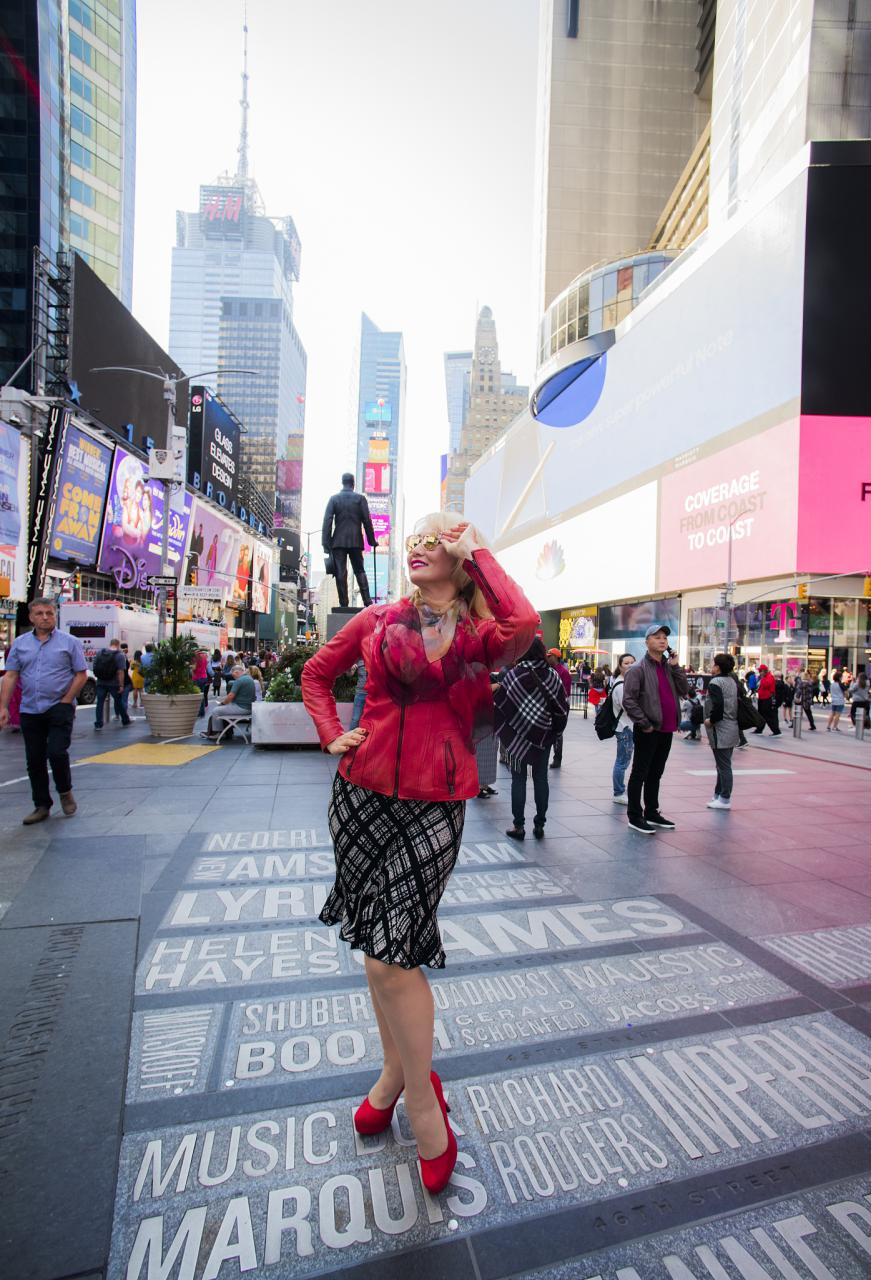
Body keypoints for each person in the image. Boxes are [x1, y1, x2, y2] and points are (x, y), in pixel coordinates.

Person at [301, 513, 536, 1194]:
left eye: (434, 542)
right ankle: (399, 1074)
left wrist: (479, 551)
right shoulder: (375, 619)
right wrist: (328, 733)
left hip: (435, 798)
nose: (417, 549)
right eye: (414, 540)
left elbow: (523, 629)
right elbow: (317, 675)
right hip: (360, 797)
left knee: (389, 953)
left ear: (458, 557)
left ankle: (416, 1097)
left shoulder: (476, 634)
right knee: (379, 955)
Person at [0, 598, 88, 823]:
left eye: (49, 613)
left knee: (57, 753)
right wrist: (3, 706)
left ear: (55, 615)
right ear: (31, 617)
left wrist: (66, 701)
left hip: (59, 707)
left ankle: (65, 791)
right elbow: (10, 675)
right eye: (39, 613)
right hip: (30, 709)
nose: (45, 617)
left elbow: (81, 674)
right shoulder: (20, 644)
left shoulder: (70, 642)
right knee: (35, 759)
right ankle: (41, 805)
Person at [494, 637, 568, 839]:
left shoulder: (513, 676)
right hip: (544, 737)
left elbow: (501, 706)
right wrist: (554, 732)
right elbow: (561, 708)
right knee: (541, 778)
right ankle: (540, 824)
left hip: (517, 737)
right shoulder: (552, 675)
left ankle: (518, 826)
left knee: (518, 780)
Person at [621, 624, 689, 835]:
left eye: (664, 638)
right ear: (647, 642)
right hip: (649, 730)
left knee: (656, 773)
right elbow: (629, 700)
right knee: (640, 772)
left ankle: (651, 811)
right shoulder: (638, 669)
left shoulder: (668, 667)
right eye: (657, 637)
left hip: (667, 729)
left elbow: (684, 690)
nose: (662, 640)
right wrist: (645, 724)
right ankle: (635, 815)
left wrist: (677, 666)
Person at [322, 472, 376, 607]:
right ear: (353, 483)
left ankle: (343, 604)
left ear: (342, 482)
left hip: (338, 542)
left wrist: (326, 542)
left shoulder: (334, 499)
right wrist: (371, 540)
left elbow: (327, 521)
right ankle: (367, 602)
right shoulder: (360, 499)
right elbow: (367, 521)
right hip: (356, 541)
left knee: (341, 572)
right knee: (359, 570)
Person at [704, 653, 740, 809]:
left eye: (713, 664)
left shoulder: (715, 682)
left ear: (717, 667)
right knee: (722, 764)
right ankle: (718, 795)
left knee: (724, 766)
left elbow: (717, 706)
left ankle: (725, 798)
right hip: (732, 726)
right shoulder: (732, 681)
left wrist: (710, 720)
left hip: (721, 729)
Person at [202, 664, 256, 738]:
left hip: (242, 708)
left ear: (237, 672)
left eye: (233, 675)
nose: (233, 677)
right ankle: (227, 732)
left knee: (216, 711)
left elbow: (230, 696)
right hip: (249, 707)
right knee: (224, 709)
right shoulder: (249, 679)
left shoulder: (239, 681)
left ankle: (217, 733)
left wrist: (222, 703)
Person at [610, 653, 635, 804]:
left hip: (627, 726)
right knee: (622, 762)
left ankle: (620, 791)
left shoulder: (626, 682)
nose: (630, 665)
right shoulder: (621, 685)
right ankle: (619, 792)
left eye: (632, 662)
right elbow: (629, 707)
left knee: (624, 760)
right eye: (626, 663)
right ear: (620, 666)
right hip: (625, 727)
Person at [93, 637, 130, 730]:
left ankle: (98, 723)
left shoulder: (100, 653)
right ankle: (125, 720)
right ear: (118, 645)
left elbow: (95, 666)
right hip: (113, 683)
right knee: (118, 702)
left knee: (99, 703)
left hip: (101, 682)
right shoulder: (120, 655)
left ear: (110, 644)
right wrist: (121, 685)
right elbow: (121, 672)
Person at [546, 647, 572, 768]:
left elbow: (566, 692)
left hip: (560, 707)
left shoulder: (563, 672)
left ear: (555, 657)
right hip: (549, 706)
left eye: (549, 656)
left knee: (558, 733)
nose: (547, 658)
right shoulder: (547, 670)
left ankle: (557, 758)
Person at [754, 664, 781, 735]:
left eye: (760, 671)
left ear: (764, 671)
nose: (759, 672)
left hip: (767, 699)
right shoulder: (765, 677)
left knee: (768, 716)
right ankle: (759, 729)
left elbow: (766, 685)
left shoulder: (769, 677)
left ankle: (776, 731)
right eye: (759, 671)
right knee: (761, 715)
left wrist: (762, 678)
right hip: (762, 698)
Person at [349, 658, 368, 731]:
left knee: (371, 719)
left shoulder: (376, 657)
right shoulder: (358, 659)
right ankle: (349, 740)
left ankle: (368, 740)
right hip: (360, 693)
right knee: (355, 719)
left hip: (373, 694)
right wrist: (351, 670)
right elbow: (349, 674)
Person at [192, 649, 211, 718]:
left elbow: (194, 668)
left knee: (197, 695)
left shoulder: (195, 658)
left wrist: (190, 666)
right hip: (204, 677)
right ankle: (202, 712)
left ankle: (198, 712)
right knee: (202, 695)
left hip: (197, 678)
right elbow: (206, 667)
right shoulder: (204, 657)